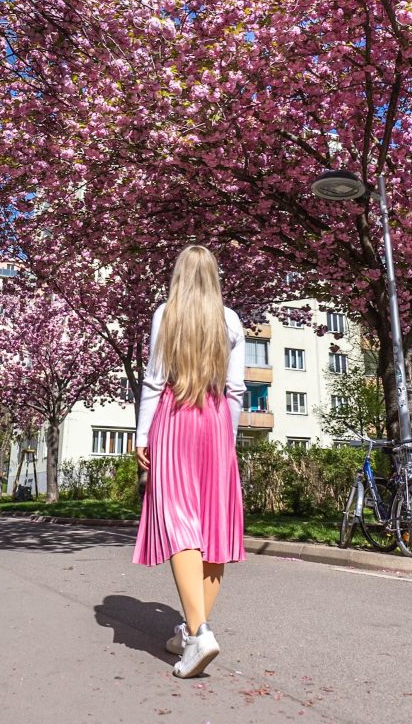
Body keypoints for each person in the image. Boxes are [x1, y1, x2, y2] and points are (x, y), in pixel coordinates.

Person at [133, 245, 246, 679]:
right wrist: (228, 441)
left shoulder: (167, 314)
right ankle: (194, 632)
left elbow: (154, 378)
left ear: (178, 276)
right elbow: (236, 388)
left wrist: (142, 434)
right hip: (217, 422)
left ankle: (199, 633)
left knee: (180, 521)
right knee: (213, 524)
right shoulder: (230, 319)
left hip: (175, 417)